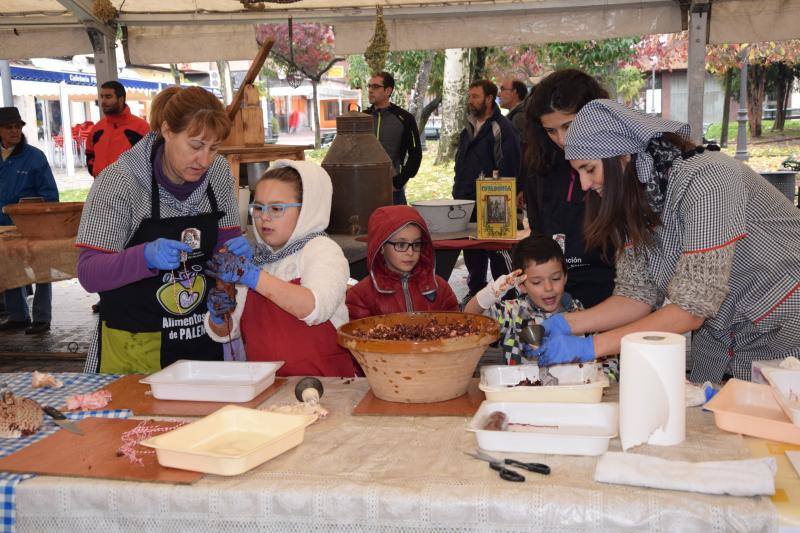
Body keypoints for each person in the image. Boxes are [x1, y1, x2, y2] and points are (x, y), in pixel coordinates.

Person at [534, 98, 800, 382]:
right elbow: (636, 294)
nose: (585, 184)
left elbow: (692, 308)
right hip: (721, 338)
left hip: (783, 330)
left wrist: (591, 346)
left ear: (623, 157)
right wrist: (568, 323)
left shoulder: (708, 178)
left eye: (589, 169)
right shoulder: (634, 200)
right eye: (578, 173)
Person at [76, 86, 244, 373]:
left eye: (213, 148)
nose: (204, 161)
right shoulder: (119, 182)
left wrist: (229, 273)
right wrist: (144, 257)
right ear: (166, 130)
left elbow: (225, 244)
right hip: (135, 345)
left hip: (202, 340)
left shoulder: (217, 174)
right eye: (195, 146)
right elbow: (89, 273)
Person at [204, 161, 359, 377]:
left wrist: (252, 275)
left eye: (276, 208)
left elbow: (313, 308)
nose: (264, 217)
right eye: (258, 208)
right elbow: (229, 332)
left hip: (327, 387)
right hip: (267, 389)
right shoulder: (257, 258)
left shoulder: (322, 250)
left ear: (307, 211)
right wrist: (219, 317)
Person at [523, 69, 616, 308]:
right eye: (551, 131)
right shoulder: (539, 164)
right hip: (557, 293)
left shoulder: (617, 160)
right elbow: (538, 233)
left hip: (612, 293)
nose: (563, 140)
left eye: (568, 126)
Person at [464, 235, 583, 365]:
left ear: (565, 277)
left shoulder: (578, 310)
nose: (549, 288)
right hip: (521, 384)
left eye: (555, 279)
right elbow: (470, 319)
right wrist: (490, 293)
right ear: (522, 285)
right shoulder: (512, 312)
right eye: (537, 282)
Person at [453, 79, 521, 302]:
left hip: (495, 200)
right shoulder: (468, 127)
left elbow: (510, 166)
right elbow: (460, 161)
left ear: (489, 99)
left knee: (498, 252)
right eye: (469, 96)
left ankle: (508, 297)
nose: (470, 101)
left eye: (475, 96)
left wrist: (502, 199)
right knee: (472, 249)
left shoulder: (501, 128)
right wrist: (458, 189)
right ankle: (476, 293)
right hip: (465, 198)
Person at [0, 107, 58, 334]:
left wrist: (32, 209)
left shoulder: (35, 157)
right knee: (9, 266)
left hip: (32, 226)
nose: (15, 131)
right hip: (2, 227)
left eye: (18, 126)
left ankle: (42, 318)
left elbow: (51, 195)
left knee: (42, 267)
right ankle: (18, 316)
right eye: (9, 127)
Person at [346, 205, 459, 319]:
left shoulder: (440, 288)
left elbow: (457, 328)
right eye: (401, 245)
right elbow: (356, 335)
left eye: (416, 244)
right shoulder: (361, 296)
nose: (410, 252)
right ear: (381, 246)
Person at [365, 72, 422, 205]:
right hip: (364, 190)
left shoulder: (404, 118)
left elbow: (416, 154)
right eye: (369, 86)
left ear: (388, 90)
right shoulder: (362, 118)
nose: (370, 90)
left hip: (393, 191)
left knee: (397, 226)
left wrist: (399, 181)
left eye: (375, 86)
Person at [85, 81, 150, 178]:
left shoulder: (142, 127)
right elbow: (90, 153)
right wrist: (95, 170)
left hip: (131, 189)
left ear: (121, 99)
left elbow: (150, 160)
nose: (103, 101)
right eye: (102, 97)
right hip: (100, 188)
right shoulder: (97, 128)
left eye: (108, 97)